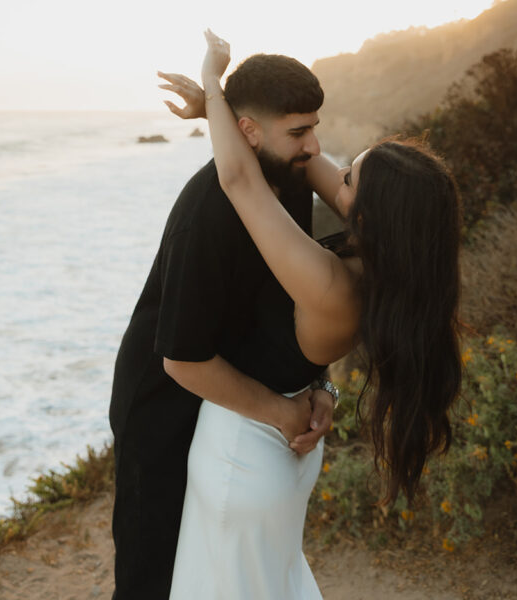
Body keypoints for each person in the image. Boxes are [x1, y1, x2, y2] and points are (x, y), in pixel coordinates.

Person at [161, 30, 462, 599]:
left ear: (369, 215)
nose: (328, 168)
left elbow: (239, 179)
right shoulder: (386, 267)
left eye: (349, 179)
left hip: (245, 457)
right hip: (288, 453)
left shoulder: (329, 284)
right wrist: (226, 116)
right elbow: (306, 160)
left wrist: (214, 82)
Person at [109, 52, 341, 600]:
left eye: (315, 129)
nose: (313, 146)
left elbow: (299, 297)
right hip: (163, 407)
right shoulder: (209, 211)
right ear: (248, 131)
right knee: (154, 573)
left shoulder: (290, 181)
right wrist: (282, 412)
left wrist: (320, 382)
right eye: (299, 132)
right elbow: (181, 358)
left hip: (226, 397)